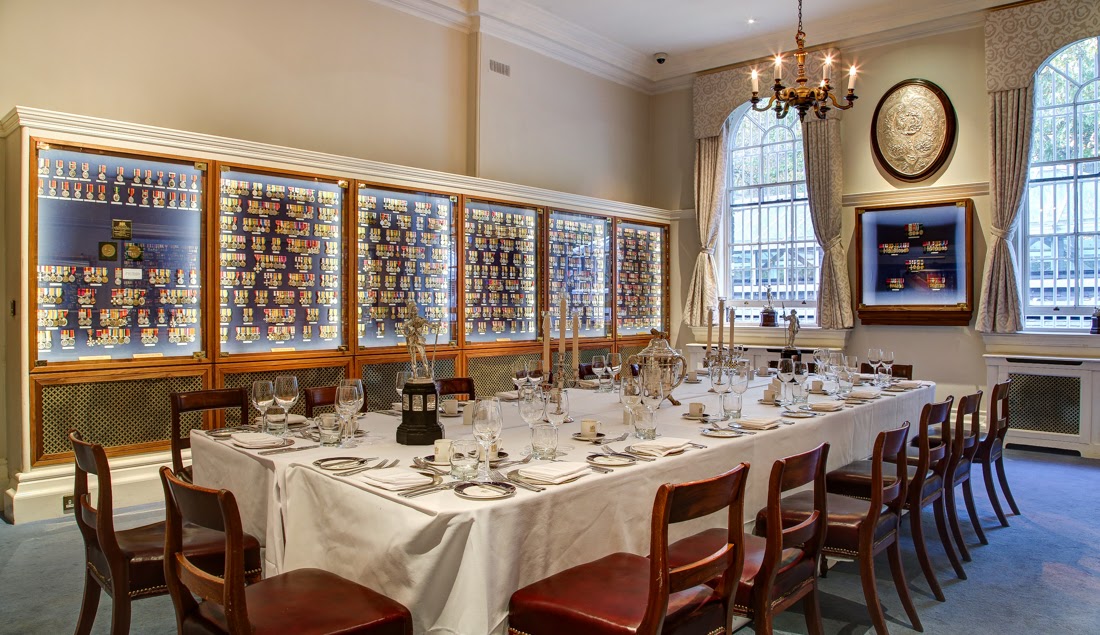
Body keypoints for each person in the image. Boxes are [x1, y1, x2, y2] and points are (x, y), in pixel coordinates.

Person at [401, 300, 431, 379]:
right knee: (413, 358)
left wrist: (436, 326)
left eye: (416, 311)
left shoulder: (421, 320)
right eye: (413, 311)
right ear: (411, 313)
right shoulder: (409, 322)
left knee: (423, 356)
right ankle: (414, 374)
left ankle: (427, 372)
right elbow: (402, 329)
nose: (415, 313)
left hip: (419, 341)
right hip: (411, 342)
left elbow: (429, 324)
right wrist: (407, 335)